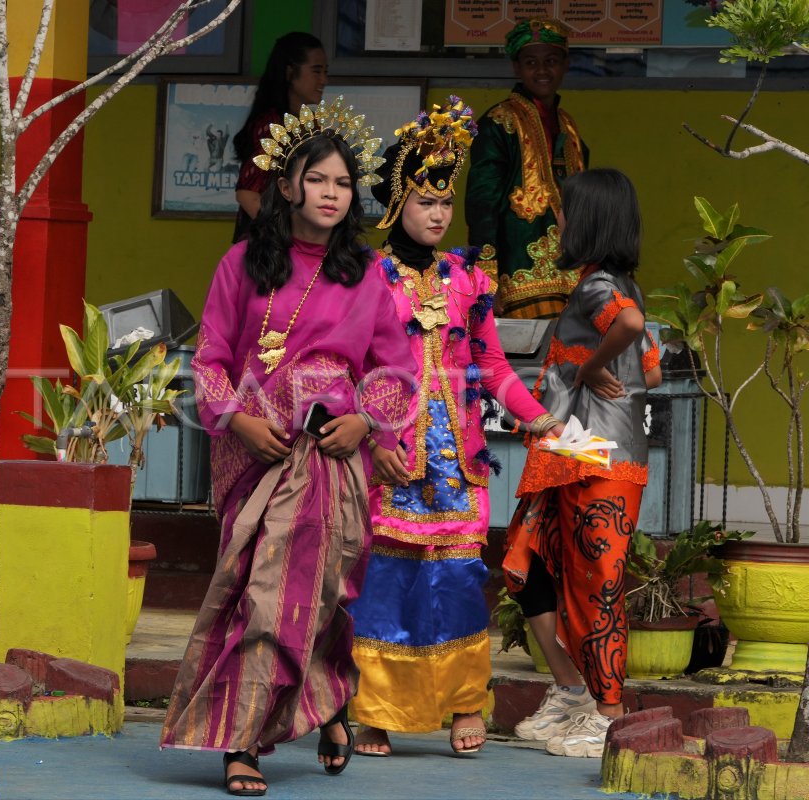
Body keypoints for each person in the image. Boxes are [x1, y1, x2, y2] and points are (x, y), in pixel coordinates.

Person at [159, 98, 414, 797]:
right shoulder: (242, 264)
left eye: (342, 183)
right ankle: (250, 736)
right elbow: (208, 359)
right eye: (319, 180)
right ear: (289, 183)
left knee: (316, 595)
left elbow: (398, 370)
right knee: (261, 595)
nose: (332, 194)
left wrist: (365, 420)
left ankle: (315, 702)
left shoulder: (367, 277)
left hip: (332, 457)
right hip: (255, 453)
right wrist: (236, 420)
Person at [347, 97, 563, 759]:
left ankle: (465, 702)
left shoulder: (469, 277)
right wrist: (374, 437)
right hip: (393, 460)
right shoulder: (366, 278)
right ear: (394, 203)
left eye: (446, 202)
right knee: (390, 580)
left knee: (460, 579)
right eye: (424, 201)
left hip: (460, 466)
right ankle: (377, 711)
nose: (439, 213)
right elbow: (348, 367)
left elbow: (492, 363)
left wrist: (537, 417)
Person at [502, 168, 662, 758]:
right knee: (531, 564)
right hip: (573, 455)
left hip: (598, 459)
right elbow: (651, 370)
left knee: (597, 583)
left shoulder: (602, 290)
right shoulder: (611, 282)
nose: (558, 222)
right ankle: (571, 693)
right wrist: (596, 369)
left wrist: (592, 369)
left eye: (565, 213)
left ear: (588, 221)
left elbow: (631, 328)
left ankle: (607, 714)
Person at [465, 17, 589, 320]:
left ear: (566, 65)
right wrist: (486, 273)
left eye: (551, 61)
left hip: (571, 274)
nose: (542, 70)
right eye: (531, 62)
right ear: (517, 67)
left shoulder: (569, 126)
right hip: (517, 272)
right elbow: (482, 200)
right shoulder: (498, 122)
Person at [231, 31, 327, 242]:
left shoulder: (310, 123)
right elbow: (246, 194)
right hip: (269, 250)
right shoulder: (272, 126)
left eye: (325, 72)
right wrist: (285, 239)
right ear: (290, 72)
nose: (323, 80)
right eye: (316, 71)